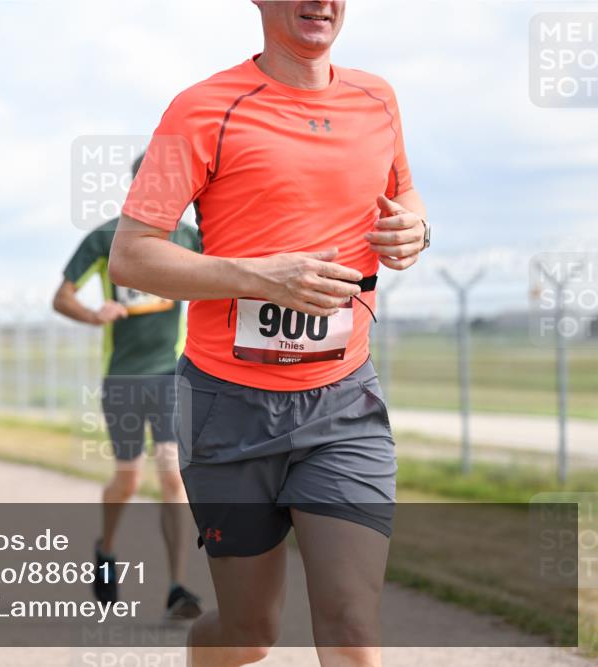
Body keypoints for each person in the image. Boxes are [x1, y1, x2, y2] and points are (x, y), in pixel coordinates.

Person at [108, 2, 430, 665]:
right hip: (228, 408)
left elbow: (407, 195)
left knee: (351, 628)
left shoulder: (379, 99)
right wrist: (258, 277)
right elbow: (132, 256)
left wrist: (415, 229)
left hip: (343, 403)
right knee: (249, 633)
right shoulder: (197, 109)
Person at [54, 153, 203, 620]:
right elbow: (62, 297)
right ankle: (106, 548)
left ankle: (178, 586)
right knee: (128, 478)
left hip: (169, 372)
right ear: (137, 184)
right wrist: (93, 314)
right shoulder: (104, 238)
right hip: (121, 375)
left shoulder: (190, 239)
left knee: (171, 473)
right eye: (153, 181)